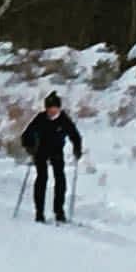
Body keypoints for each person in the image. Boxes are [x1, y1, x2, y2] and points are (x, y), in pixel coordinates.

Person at [20, 92, 82, 223]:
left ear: (59, 108)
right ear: (46, 109)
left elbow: (75, 135)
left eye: (55, 109)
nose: (52, 112)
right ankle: (39, 212)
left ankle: (59, 211)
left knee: (60, 179)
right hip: (41, 150)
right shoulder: (40, 118)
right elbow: (26, 135)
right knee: (42, 178)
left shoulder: (64, 119)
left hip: (56, 150)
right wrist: (30, 146)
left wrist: (77, 148)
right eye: (49, 109)